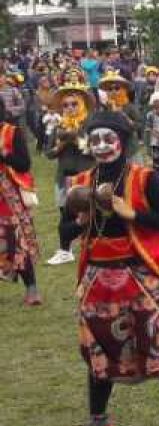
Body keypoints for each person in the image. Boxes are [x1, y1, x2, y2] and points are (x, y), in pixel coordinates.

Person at [63, 111, 159, 426]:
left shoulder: (144, 178)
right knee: (99, 348)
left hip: (141, 274)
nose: (101, 146)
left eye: (108, 139)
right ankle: (98, 421)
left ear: (122, 142)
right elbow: (65, 234)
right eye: (94, 140)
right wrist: (80, 220)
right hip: (98, 278)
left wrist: (133, 215)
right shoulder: (81, 182)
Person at [45, 82, 96, 267]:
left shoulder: (90, 123)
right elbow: (48, 152)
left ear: (81, 103)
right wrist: (61, 145)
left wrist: (76, 139)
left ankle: (84, 245)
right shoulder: (58, 124)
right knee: (65, 213)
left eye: (74, 104)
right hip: (64, 176)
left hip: (86, 175)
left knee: (90, 211)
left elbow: (95, 149)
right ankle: (66, 250)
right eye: (65, 105)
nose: (69, 108)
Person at [0, 96, 40, 306]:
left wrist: (3, 154)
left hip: (9, 197)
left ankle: (32, 289)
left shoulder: (12, 132)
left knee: (17, 241)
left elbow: (24, 164)